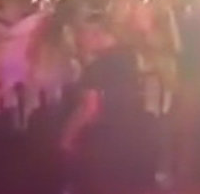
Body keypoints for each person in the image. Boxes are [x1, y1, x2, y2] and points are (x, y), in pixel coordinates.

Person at [60, 16, 158, 194]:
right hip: (133, 135)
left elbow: (90, 108)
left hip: (104, 141)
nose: (79, 41)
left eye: (83, 35)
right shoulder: (131, 57)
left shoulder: (96, 68)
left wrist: (68, 135)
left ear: (97, 35)